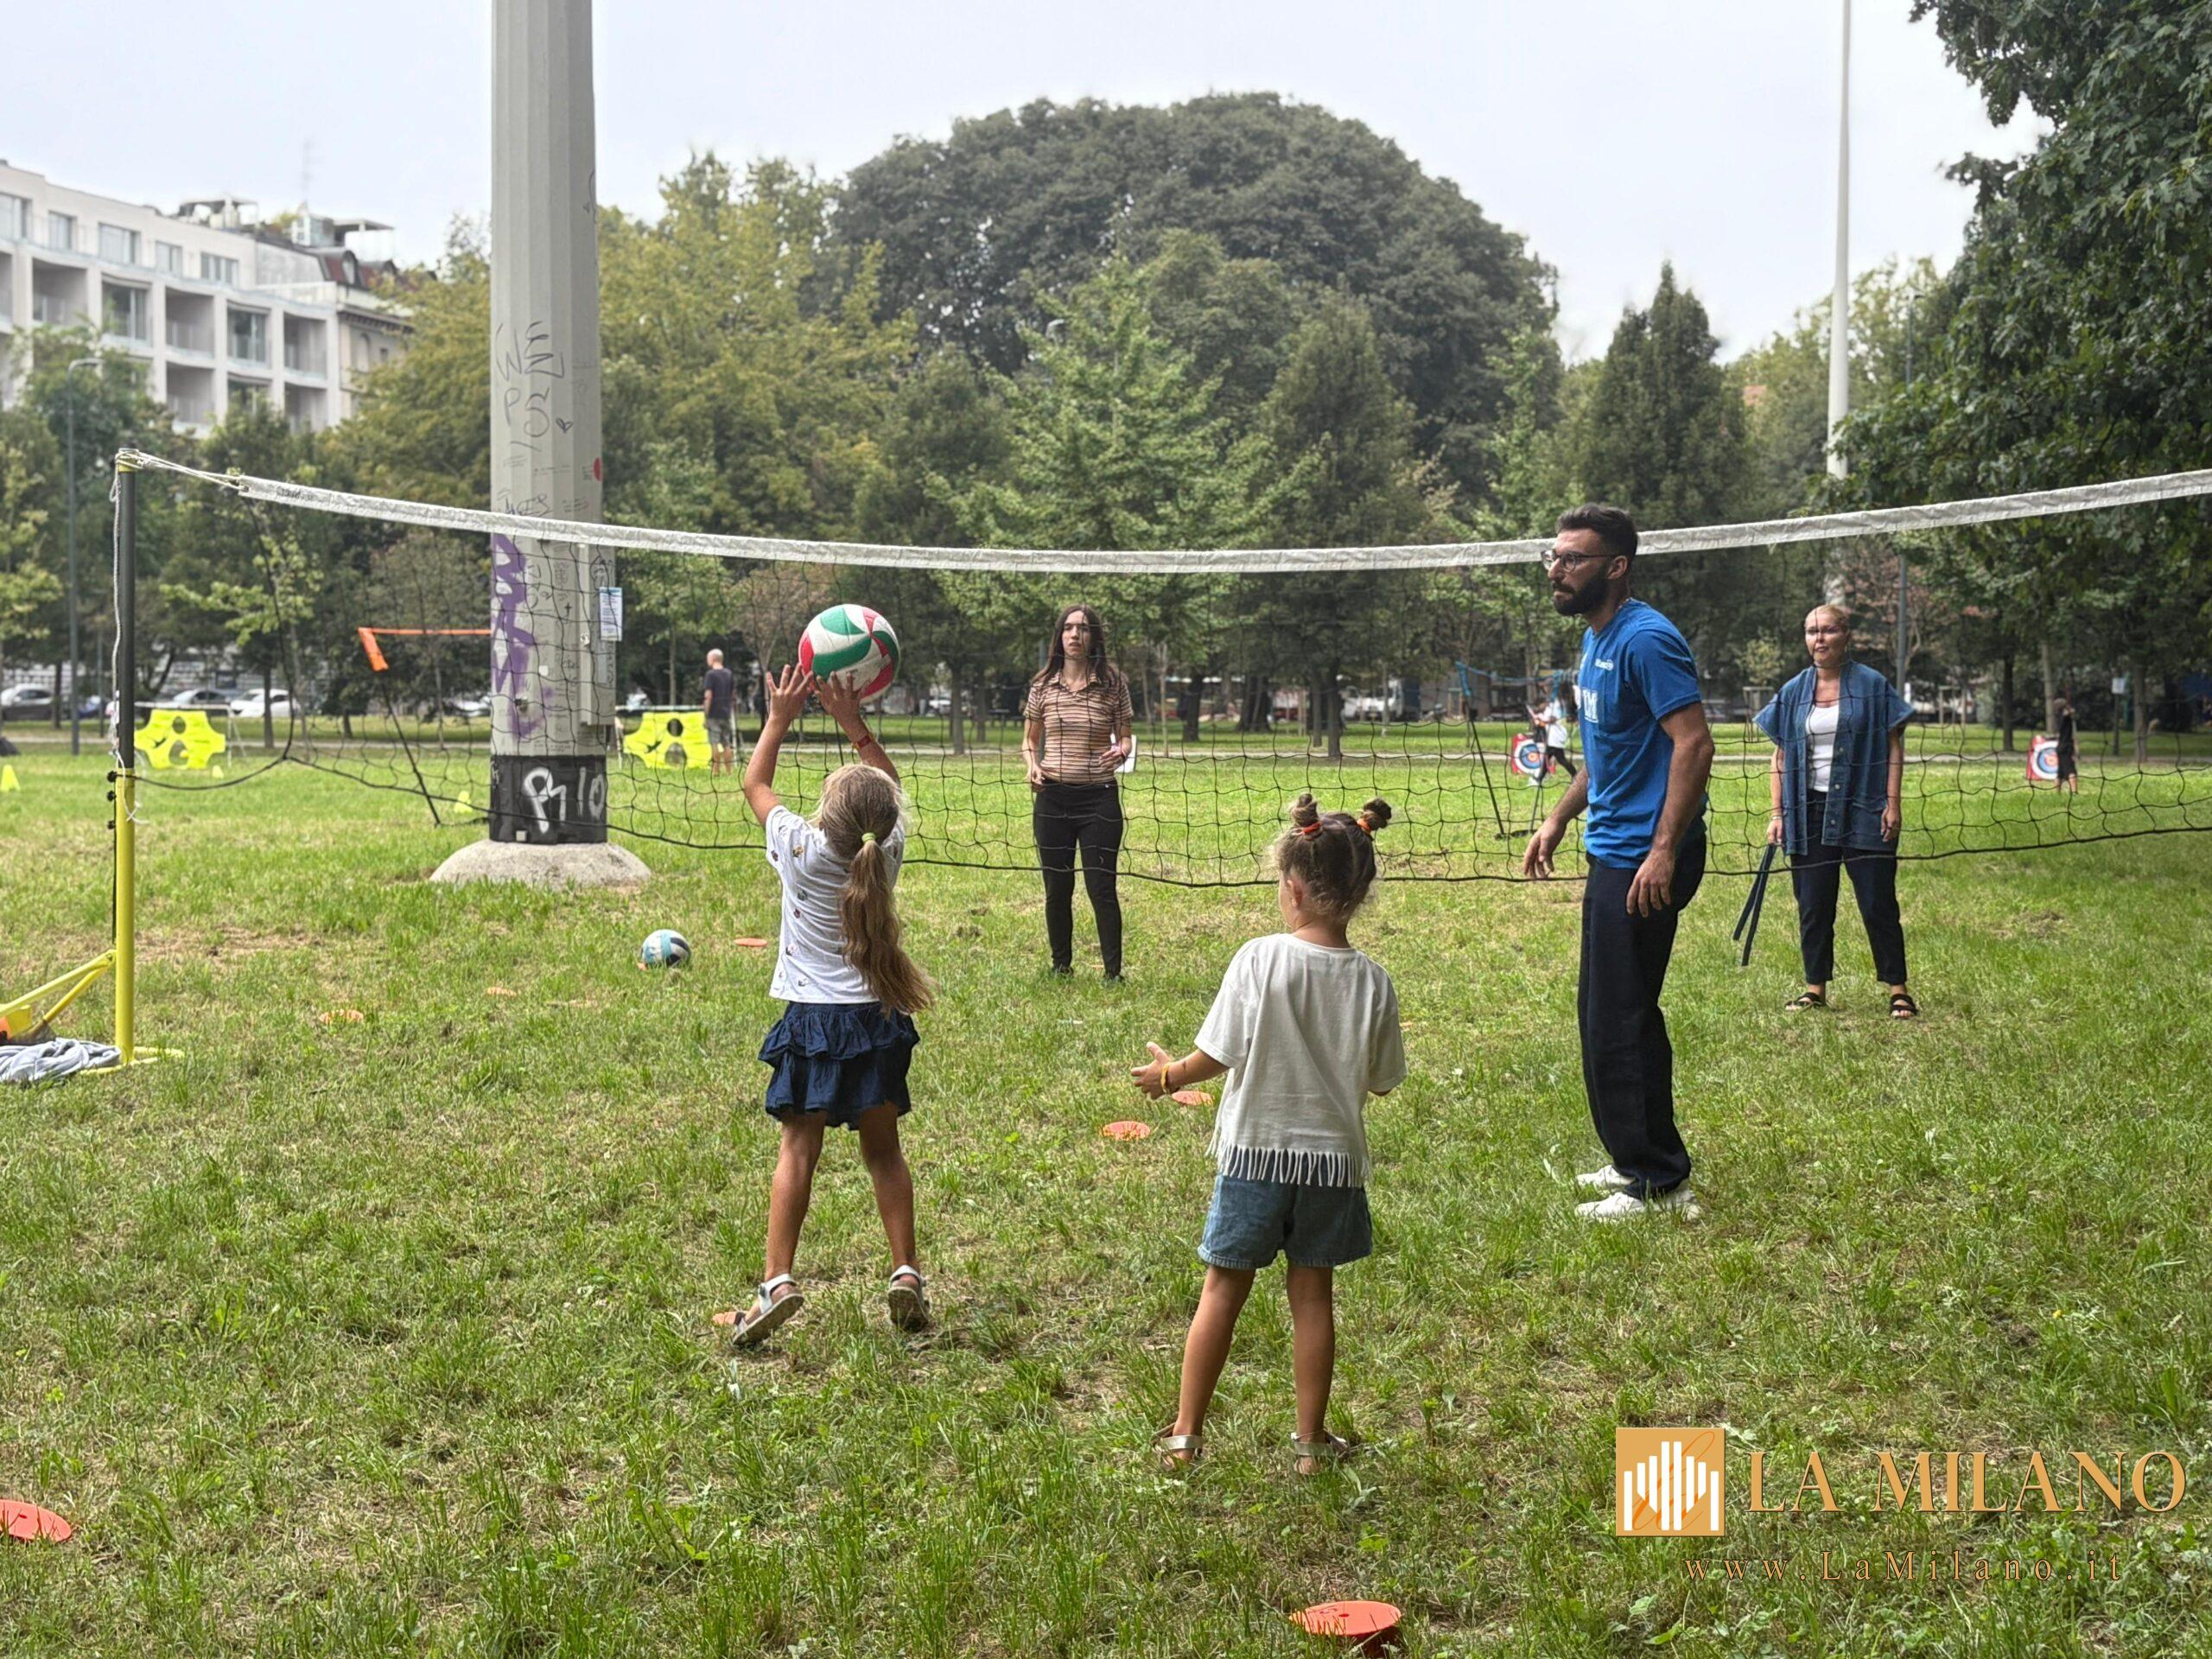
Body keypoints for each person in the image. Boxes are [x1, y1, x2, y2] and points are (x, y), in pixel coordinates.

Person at [1132, 793, 1406, 1475]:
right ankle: (1311, 1444)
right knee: (1313, 1298)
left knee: (1222, 1291)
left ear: (1291, 888)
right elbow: (1383, 1080)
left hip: (1255, 1157)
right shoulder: (1374, 982)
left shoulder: (1260, 959)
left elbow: (1216, 1056)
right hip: (1332, 1169)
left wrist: (1170, 1077)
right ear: (1361, 892)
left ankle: (1185, 1435)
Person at [730, 664, 935, 1347]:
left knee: (798, 1149)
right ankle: (905, 1272)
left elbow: (755, 784)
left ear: (829, 817)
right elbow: (891, 793)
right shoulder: (887, 849)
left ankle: (778, 1282)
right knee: (884, 1152)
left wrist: (782, 714)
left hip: (812, 1022)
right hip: (875, 1022)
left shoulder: (803, 849)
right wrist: (855, 725)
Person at [1522, 505, 1714, 1223]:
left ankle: (1660, 1182)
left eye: (1572, 558)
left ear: (1616, 565)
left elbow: (1694, 745)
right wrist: (1558, 818)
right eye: (1554, 556)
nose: (1556, 569)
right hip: (1613, 851)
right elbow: (1607, 756)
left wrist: (1663, 850)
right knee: (1602, 1011)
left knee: (1624, 1016)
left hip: (1646, 858)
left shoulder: (1647, 639)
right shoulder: (1596, 641)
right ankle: (1632, 1157)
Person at [1754, 605, 1916, 1020]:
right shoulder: (1793, 691)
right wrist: (1778, 814)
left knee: (1878, 900)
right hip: (1806, 810)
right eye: (1811, 631)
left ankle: (1898, 989)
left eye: (1827, 630)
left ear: (1846, 635)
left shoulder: (1873, 685)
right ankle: (1815, 989)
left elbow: (1894, 746)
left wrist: (1892, 803)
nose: (1819, 639)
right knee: (1812, 902)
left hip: (1864, 805)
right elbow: (1780, 756)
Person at [1022, 604, 1134, 980]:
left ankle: (1113, 973)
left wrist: (1121, 751)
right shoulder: (1042, 686)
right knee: (1057, 886)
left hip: (1099, 798)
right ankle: (1060, 966)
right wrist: (1032, 766)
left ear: (1093, 638)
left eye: (1083, 629)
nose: (1074, 635)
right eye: (1068, 628)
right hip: (1052, 798)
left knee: (1101, 887)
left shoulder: (1113, 684)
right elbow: (1029, 741)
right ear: (1059, 636)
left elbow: (1127, 738)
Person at [1526, 690, 1579, 786]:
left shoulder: (1556, 704)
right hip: (1552, 737)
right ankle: (1539, 779)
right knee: (1548, 757)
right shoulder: (1550, 705)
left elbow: (1553, 719)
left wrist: (1541, 721)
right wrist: (1540, 721)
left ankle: (1576, 776)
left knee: (1560, 759)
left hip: (1556, 736)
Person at [702, 648, 737, 776]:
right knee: (726, 742)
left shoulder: (710, 675)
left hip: (714, 713)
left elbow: (708, 695)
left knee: (714, 742)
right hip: (726, 712)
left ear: (712, 659)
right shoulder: (729, 673)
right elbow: (733, 693)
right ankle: (729, 771)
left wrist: (706, 713)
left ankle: (715, 770)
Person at [2055, 690, 2080, 795]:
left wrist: (2068, 707)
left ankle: (2057, 793)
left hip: (2060, 747)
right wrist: (2069, 708)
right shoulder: (2064, 716)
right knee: (2071, 770)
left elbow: (2070, 713)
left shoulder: (2059, 717)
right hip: (2066, 747)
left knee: (2060, 772)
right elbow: (2070, 712)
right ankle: (2074, 793)